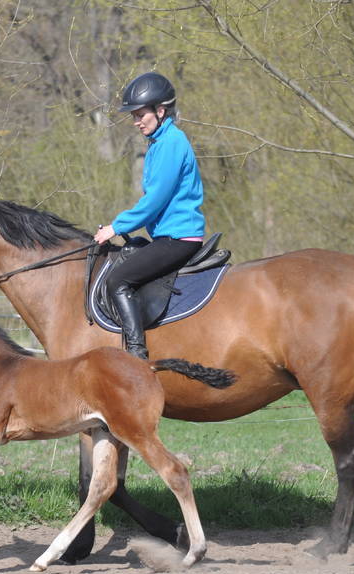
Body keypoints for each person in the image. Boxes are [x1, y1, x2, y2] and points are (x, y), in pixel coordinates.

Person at [93, 71, 207, 359]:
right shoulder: (158, 143)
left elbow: (154, 201)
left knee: (116, 280)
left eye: (140, 114)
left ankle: (136, 354)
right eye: (134, 115)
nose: (136, 121)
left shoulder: (171, 143)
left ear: (160, 110)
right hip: (166, 236)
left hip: (179, 238)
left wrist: (115, 227)